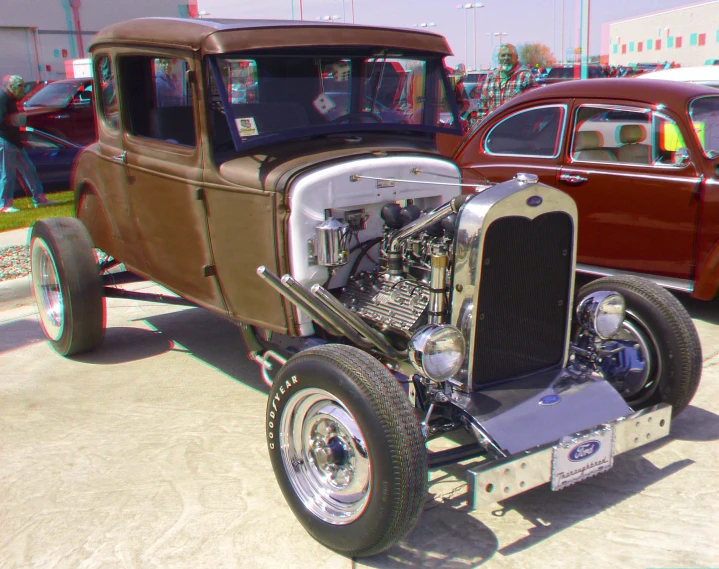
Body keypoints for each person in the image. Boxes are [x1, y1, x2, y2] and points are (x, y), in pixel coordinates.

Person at [0, 75, 56, 213]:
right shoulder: (3, 99)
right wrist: (15, 119)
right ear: (11, 86)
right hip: (5, 141)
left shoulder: (12, 100)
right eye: (20, 86)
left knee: (29, 170)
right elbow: (2, 120)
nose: (23, 89)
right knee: (8, 174)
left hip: (15, 142)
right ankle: (4, 205)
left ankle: (39, 199)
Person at [475, 44, 536, 121]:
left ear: (516, 58)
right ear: (498, 58)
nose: (506, 58)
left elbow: (532, 108)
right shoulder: (490, 77)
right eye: (503, 55)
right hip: (494, 127)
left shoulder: (525, 76)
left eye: (509, 55)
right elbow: (483, 106)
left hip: (518, 127)